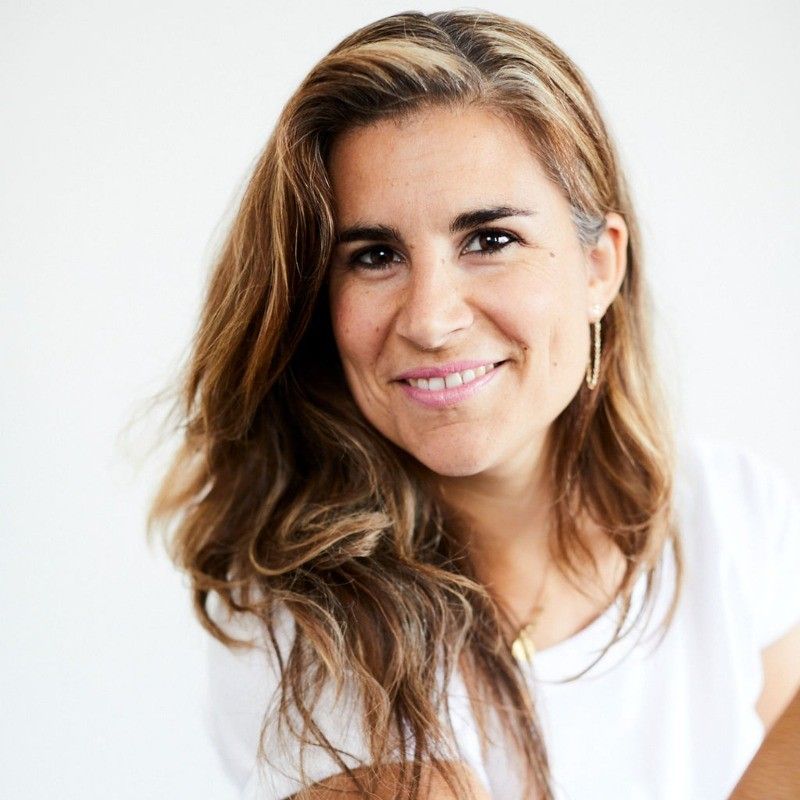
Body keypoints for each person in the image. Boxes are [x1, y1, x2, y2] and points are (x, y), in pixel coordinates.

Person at [148, 9, 800, 800]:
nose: (430, 320)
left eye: (489, 240)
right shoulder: (306, 613)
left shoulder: (733, 514)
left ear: (599, 268)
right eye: (375, 256)